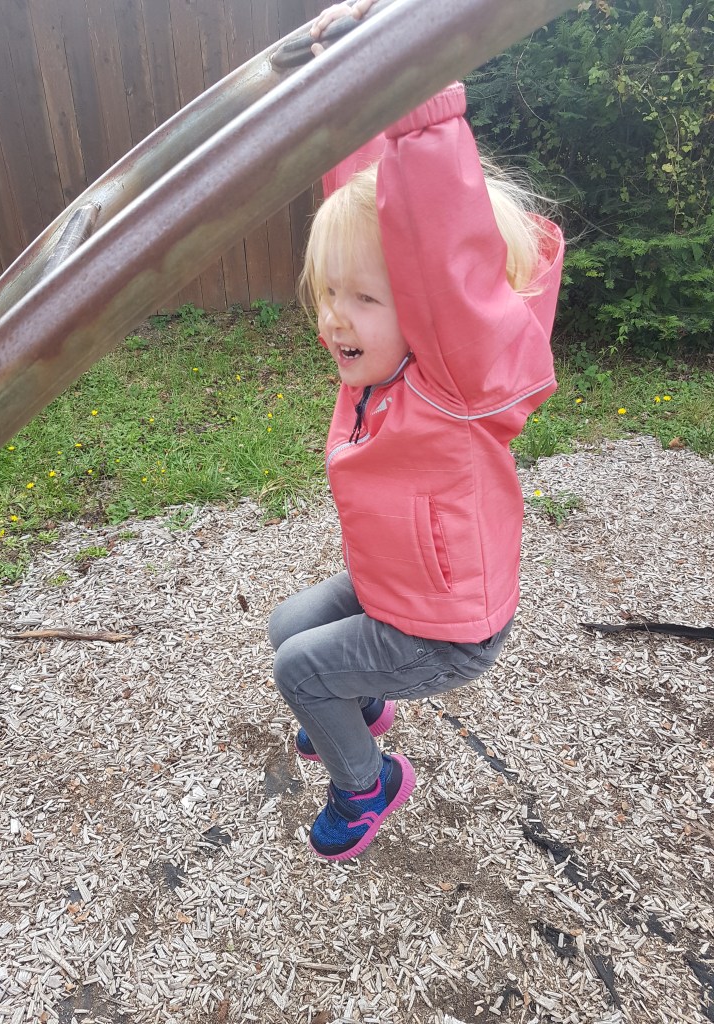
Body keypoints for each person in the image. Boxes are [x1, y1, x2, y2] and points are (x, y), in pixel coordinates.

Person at [268, 0, 564, 862]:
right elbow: (370, 199)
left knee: (299, 669)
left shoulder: (454, 383)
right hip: (393, 589)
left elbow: (435, 248)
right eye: (329, 292)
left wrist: (412, 88)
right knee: (289, 627)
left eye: (362, 298)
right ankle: (358, 706)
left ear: (428, 311)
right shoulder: (374, 366)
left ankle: (366, 786)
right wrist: (354, 81)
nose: (334, 316)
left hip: (445, 627)